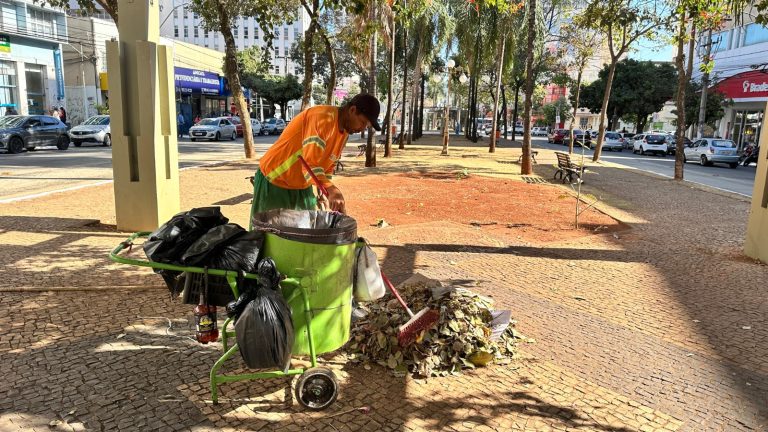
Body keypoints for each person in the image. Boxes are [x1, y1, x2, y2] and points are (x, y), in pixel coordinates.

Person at [253, 93, 381, 214]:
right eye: (363, 122)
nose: (362, 129)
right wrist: (332, 189)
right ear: (352, 110)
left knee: (304, 233)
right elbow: (310, 164)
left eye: (367, 126)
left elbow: (328, 166)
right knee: (270, 234)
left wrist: (324, 192)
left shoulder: (344, 133)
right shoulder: (322, 118)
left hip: (302, 185)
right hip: (274, 180)